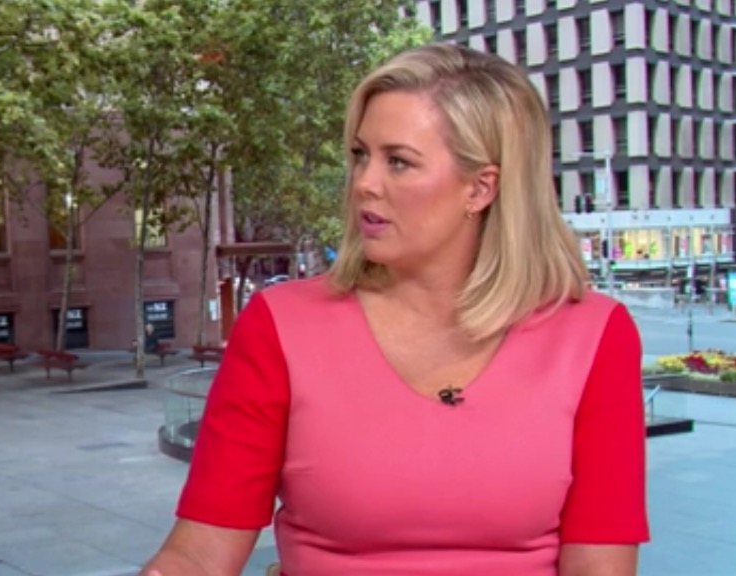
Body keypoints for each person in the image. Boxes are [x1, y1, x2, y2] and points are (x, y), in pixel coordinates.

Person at [141, 43, 649, 576]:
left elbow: (600, 565)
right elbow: (199, 554)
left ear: (480, 188)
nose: (364, 183)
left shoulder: (593, 336)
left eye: (398, 162)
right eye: (361, 155)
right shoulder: (281, 325)